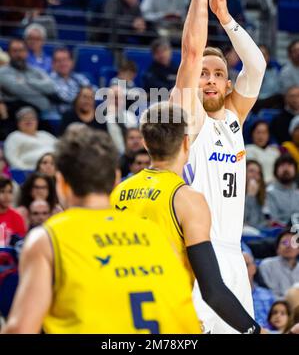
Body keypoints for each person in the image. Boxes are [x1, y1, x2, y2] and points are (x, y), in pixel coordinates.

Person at [2, 126, 202, 334]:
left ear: (60, 182)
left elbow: (21, 329)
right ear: (116, 178)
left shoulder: (47, 238)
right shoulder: (155, 235)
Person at [172, 0, 266, 334]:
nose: (209, 79)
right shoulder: (187, 115)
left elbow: (256, 65)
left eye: (218, 74)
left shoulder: (233, 120)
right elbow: (192, 53)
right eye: (204, 74)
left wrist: (225, 17)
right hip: (197, 256)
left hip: (232, 256)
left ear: (228, 86)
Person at [111, 102, 263, 333]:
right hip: (170, 317)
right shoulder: (187, 199)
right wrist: (255, 330)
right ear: (186, 141)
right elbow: (212, 290)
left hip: (122, 317)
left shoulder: (118, 192)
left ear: (144, 142)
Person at [0, 39, 56, 115]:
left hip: (43, 113)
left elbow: (51, 87)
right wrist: (43, 92)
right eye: (14, 51)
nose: (18, 54)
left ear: (26, 53)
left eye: (21, 50)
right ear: (8, 53)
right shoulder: (2, 72)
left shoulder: (36, 71)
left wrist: (26, 80)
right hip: (16, 114)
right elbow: (17, 89)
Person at [259, 229, 299, 299]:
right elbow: (268, 294)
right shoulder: (267, 265)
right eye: (285, 243)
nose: (289, 246)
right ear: (277, 249)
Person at [50, 48, 92, 113]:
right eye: (58, 60)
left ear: (71, 62)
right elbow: (66, 98)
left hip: (78, 117)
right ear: (53, 64)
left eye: (65, 60)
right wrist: (81, 95)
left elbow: (92, 92)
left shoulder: (79, 77)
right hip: (58, 117)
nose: (62, 63)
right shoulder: (48, 80)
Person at [243, 252, 275, 329]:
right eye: (238, 266)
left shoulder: (268, 295)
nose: (242, 269)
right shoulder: (226, 297)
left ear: (254, 268)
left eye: (246, 265)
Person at [266, 155, 299, 226]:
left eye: (290, 165)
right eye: (282, 165)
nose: (286, 169)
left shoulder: (297, 192)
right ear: (275, 170)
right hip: (280, 233)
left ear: (295, 170)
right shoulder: (269, 192)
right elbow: (273, 221)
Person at [0, 177, 26, 246]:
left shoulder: (17, 217)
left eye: (10, 192)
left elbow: (20, 244)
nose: (7, 196)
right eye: (2, 191)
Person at [244, 160, 268, 230]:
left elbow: (258, 222)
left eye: (258, 173)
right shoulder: (234, 195)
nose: (255, 175)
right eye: (251, 171)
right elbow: (243, 220)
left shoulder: (263, 196)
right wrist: (250, 196)